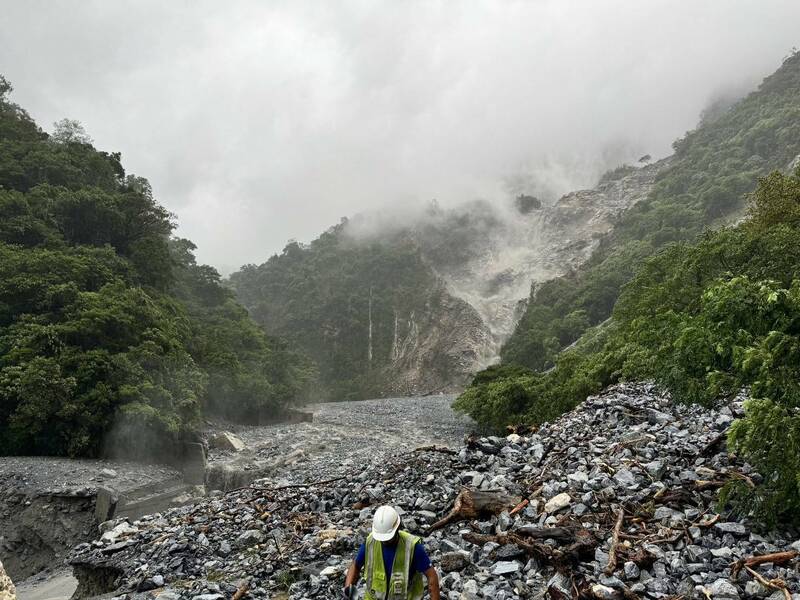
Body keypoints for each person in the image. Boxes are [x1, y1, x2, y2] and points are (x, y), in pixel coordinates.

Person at [343, 505, 440, 600]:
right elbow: (355, 565)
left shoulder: (412, 547)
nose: (384, 541)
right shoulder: (370, 543)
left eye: (388, 538)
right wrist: (348, 588)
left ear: (397, 528)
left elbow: (431, 576)